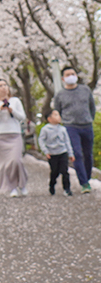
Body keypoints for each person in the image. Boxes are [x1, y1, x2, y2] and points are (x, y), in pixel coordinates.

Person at [51, 65, 95, 193]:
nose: (71, 76)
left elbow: (91, 106)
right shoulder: (60, 95)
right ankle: (84, 183)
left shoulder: (85, 90)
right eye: (67, 75)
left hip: (87, 125)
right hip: (71, 127)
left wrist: (89, 118)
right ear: (63, 79)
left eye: (73, 74)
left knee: (88, 154)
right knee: (77, 154)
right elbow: (57, 111)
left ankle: (87, 177)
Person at [0, 78, 29, 197]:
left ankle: (22, 183)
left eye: (5, 85)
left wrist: (12, 110)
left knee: (16, 161)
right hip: (0, 136)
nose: (4, 87)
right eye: (0, 85)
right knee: (4, 165)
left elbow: (22, 117)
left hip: (14, 134)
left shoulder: (15, 101)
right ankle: (12, 187)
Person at [38, 109, 75, 196]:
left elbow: (67, 142)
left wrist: (70, 153)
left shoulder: (63, 129)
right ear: (49, 119)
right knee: (55, 171)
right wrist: (45, 151)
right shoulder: (45, 129)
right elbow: (41, 140)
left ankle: (67, 189)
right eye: (56, 115)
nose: (59, 117)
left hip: (62, 152)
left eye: (58, 115)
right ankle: (52, 184)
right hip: (52, 154)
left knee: (64, 171)